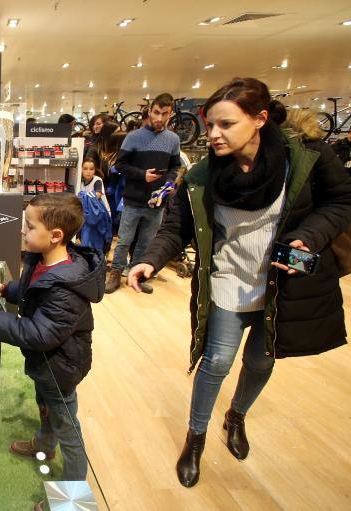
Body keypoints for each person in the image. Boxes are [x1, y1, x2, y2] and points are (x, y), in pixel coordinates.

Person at [128, 77, 351, 488]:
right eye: (210, 124)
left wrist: (311, 236)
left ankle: (237, 415)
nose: (213, 134)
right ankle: (195, 439)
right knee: (215, 361)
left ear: (260, 119)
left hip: (282, 285)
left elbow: (341, 201)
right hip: (228, 280)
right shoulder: (202, 175)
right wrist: (149, 261)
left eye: (225, 124)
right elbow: (177, 227)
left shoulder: (306, 158)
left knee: (262, 361)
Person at [0, 193, 105, 489]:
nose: (22, 231)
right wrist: (9, 290)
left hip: (60, 367)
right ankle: (44, 443)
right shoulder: (42, 259)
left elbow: (41, 334)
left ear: (55, 236)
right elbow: (32, 290)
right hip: (46, 365)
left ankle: (72, 502)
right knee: (46, 406)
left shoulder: (66, 287)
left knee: (68, 429)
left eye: (29, 225)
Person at [106, 93, 181, 294]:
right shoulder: (134, 137)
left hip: (157, 201)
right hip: (133, 198)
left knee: (146, 242)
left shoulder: (173, 139)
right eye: (156, 112)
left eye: (164, 113)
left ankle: (136, 273)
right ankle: (115, 273)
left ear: (170, 114)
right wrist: (141, 175)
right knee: (124, 240)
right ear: (150, 111)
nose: (159, 117)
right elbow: (120, 164)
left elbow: (175, 166)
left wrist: (169, 182)